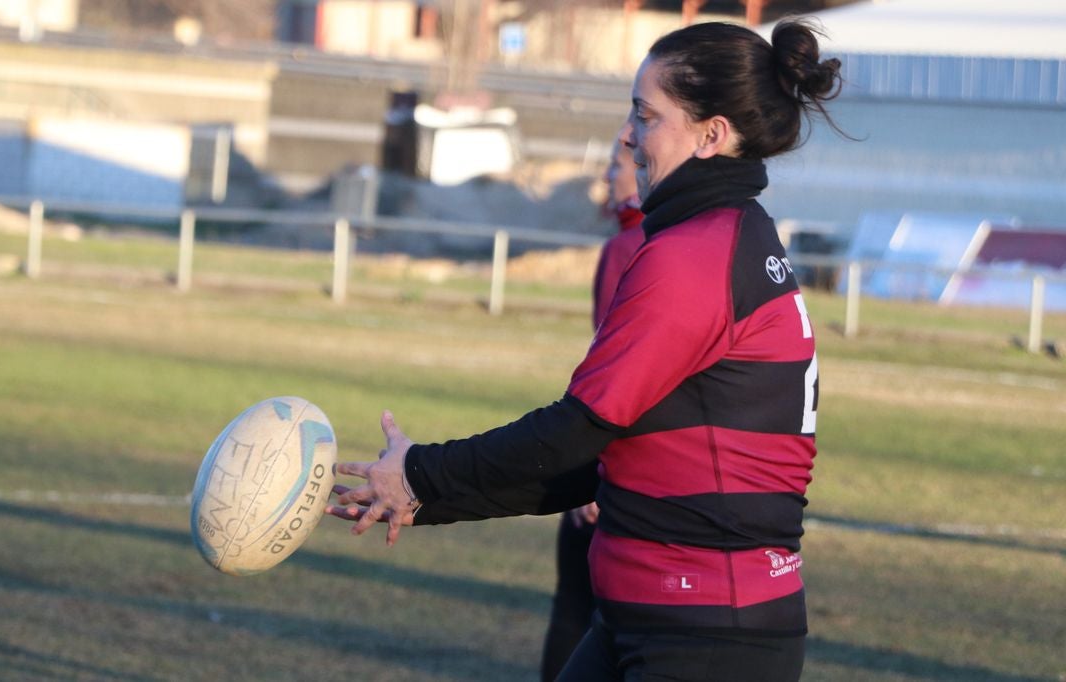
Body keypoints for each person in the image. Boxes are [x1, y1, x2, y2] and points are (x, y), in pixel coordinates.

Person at [329, 19, 840, 681]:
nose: (629, 135)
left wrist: (422, 474)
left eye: (645, 115)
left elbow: (575, 432)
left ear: (712, 134)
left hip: (707, 632)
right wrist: (426, 498)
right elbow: (606, 459)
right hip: (656, 618)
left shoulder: (696, 256)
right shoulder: (727, 237)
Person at [540, 133, 643, 682]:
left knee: (576, 608)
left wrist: (599, 471)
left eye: (619, 166)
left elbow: (615, 373)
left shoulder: (631, 248)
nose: (610, 177)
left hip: (619, 466)